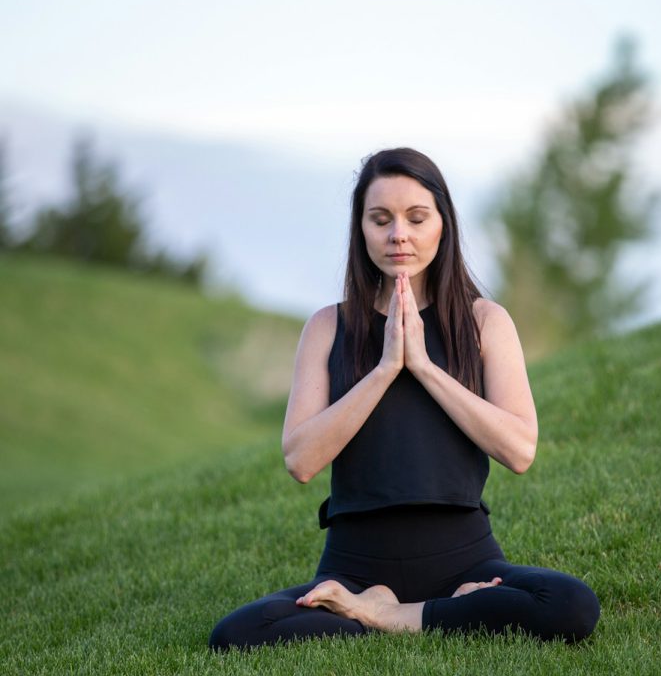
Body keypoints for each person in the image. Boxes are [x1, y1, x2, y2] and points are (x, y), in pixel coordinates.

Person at [208, 147, 600, 650]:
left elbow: (520, 450)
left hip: (466, 560)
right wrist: (387, 367)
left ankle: (390, 616)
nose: (399, 234)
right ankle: (422, 610)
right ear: (361, 229)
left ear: (443, 224)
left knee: (571, 605)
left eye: (417, 218)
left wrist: (424, 367)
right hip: (354, 566)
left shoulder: (485, 322)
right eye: (381, 219)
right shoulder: (327, 327)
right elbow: (300, 460)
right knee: (237, 633)